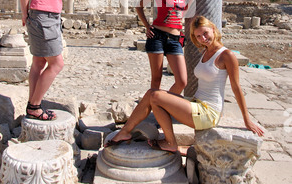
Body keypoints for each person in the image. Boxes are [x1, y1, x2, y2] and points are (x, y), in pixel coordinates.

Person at [105, 15, 264, 152]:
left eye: (205, 33)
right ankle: (155, 139)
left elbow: (237, 88)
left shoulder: (227, 55)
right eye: (198, 36)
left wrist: (247, 120)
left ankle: (147, 137)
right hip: (196, 103)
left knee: (154, 94)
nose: (203, 38)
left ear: (213, 30)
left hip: (208, 112)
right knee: (152, 97)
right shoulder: (206, 51)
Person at [19, 0, 81, 121]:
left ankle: (33, 104)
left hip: (53, 16)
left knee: (39, 62)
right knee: (57, 64)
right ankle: (34, 106)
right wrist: (24, 13)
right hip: (41, 15)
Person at [136, 0, 196, 94]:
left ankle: (164, 104)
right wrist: (147, 26)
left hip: (175, 40)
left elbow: (180, 16)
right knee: (156, 78)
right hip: (157, 36)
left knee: (182, 81)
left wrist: (190, 2)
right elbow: (139, 6)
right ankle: (156, 108)